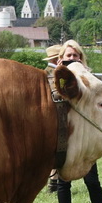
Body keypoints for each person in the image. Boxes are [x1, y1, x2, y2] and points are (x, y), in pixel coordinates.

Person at [54, 40, 102, 203]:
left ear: (81, 58)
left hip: (86, 137)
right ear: (61, 58)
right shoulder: (55, 80)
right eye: (69, 55)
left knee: (92, 181)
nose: (73, 58)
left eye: (76, 55)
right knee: (63, 181)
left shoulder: (90, 79)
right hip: (64, 134)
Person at [43, 44, 62, 193]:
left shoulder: (44, 72)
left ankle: (52, 181)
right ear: (57, 59)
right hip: (57, 114)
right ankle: (54, 181)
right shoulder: (54, 73)